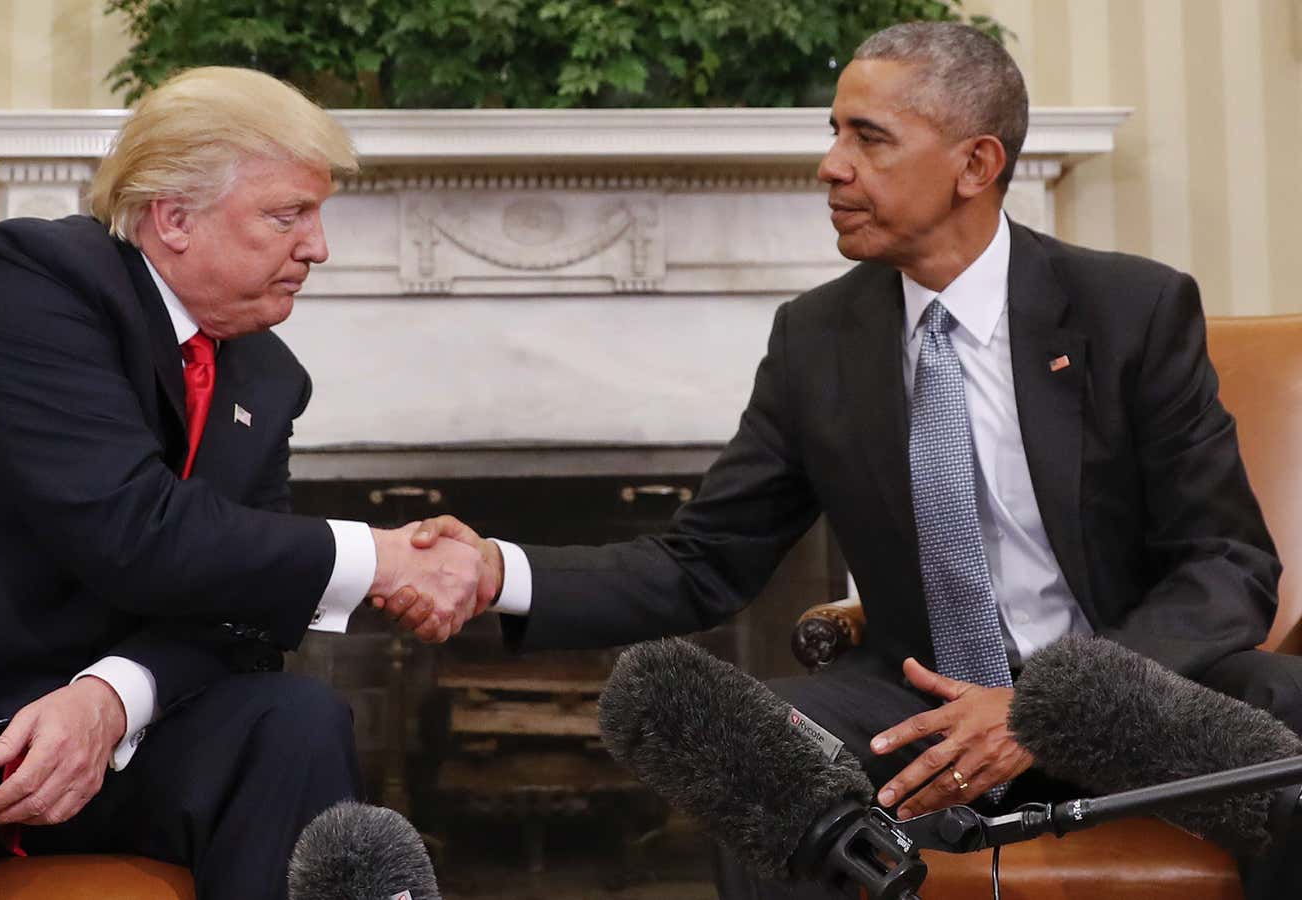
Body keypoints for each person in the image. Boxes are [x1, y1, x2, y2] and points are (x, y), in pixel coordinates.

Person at [381, 21, 1302, 900]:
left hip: (1122, 690)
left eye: (869, 139)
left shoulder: (1128, 310)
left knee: (1283, 706)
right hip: (919, 710)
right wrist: (498, 570)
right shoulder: (817, 339)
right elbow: (705, 562)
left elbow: (1227, 565)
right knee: (756, 747)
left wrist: (1049, 706)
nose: (831, 166)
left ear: (976, 165)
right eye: (834, 134)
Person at [0, 67, 487, 900]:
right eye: (288, 214)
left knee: (294, 721)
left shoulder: (265, 376)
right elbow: (131, 527)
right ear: (173, 218)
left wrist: (112, 697)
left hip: (80, 746)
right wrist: (382, 558)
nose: (318, 246)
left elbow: (240, 618)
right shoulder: (32, 281)